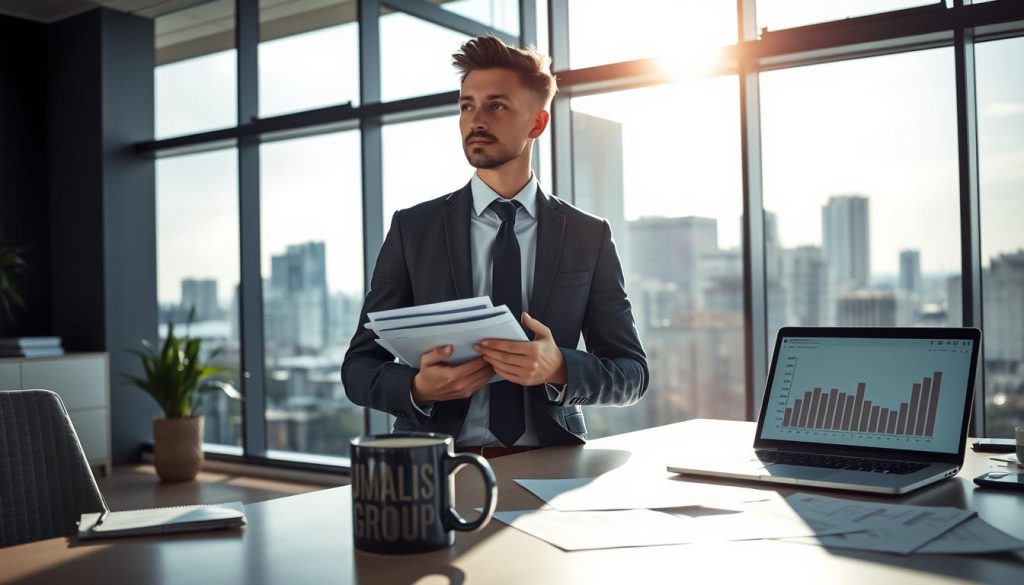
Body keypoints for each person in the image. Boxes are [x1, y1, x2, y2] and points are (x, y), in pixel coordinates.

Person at [342, 36, 648, 457]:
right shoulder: (413, 229)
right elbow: (358, 368)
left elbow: (632, 373)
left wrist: (559, 367)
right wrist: (416, 387)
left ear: (537, 124)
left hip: (550, 463)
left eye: (496, 105)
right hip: (434, 464)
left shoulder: (587, 235)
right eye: (467, 105)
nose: (475, 120)